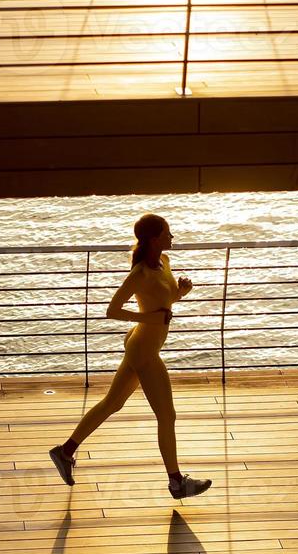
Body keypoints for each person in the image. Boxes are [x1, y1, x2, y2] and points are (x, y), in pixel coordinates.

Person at [49, 214, 212, 500]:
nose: (172, 237)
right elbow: (112, 310)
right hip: (144, 351)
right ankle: (177, 482)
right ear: (154, 238)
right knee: (167, 415)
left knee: (112, 403)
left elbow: (163, 302)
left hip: (142, 345)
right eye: (167, 232)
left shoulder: (164, 263)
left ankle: (65, 452)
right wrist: (147, 318)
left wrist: (181, 292)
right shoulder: (139, 273)